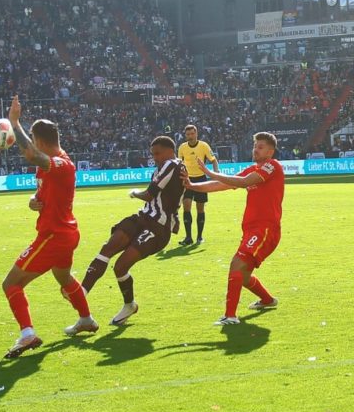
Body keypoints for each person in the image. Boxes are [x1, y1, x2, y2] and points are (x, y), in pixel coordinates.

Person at [0, 95, 95, 359]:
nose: (29, 144)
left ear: (40, 141)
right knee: (64, 278)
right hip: (65, 233)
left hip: (54, 235)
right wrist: (35, 200)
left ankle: (27, 333)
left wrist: (14, 123)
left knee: (10, 284)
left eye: (32, 139)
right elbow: (43, 192)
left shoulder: (62, 164)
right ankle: (86, 319)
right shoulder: (50, 166)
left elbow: (31, 154)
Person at [79, 136, 186, 325]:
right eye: (153, 154)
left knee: (121, 266)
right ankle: (80, 294)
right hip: (142, 218)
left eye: (158, 153)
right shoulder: (165, 167)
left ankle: (128, 305)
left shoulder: (173, 164)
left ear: (170, 151)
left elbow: (149, 195)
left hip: (158, 227)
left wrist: (134, 192)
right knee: (108, 247)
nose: (155, 158)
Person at [184, 132, 284, 325]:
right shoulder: (253, 168)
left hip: (265, 230)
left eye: (260, 147)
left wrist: (210, 172)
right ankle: (268, 300)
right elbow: (222, 184)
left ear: (270, 151)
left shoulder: (272, 166)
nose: (255, 149)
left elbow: (244, 182)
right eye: (255, 146)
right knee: (243, 275)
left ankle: (230, 316)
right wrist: (192, 185)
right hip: (252, 230)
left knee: (236, 265)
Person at [177, 124, 218, 246]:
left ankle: (199, 237)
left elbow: (213, 160)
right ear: (185, 135)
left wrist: (216, 173)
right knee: (186, 207)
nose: (190, 136)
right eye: (188, 134)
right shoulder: (182, 147)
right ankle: (188, 237)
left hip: (201, 179)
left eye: (192, 133)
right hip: (187, 180)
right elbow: (179, 163)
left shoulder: (204, 146)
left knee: (200, 208)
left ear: (196, 133)